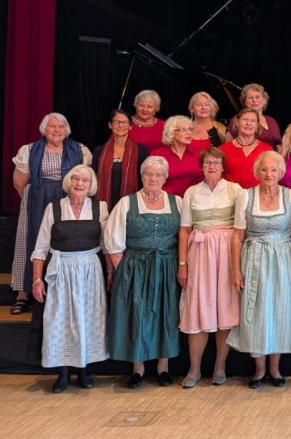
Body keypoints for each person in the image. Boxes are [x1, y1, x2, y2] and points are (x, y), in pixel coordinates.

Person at [29, 164, 108, 392]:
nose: (79, 183)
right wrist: (37, 280)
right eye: (75, 179)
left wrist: (112, 273)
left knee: (87, 319)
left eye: (85, 180)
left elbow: (107, 246)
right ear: (69, 182)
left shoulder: (100, 208)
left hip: (90, 271)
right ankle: (63, 373)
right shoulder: (54, 208)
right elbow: (40, 249)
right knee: (60, 320)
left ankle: (83, 370)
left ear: (91, 185)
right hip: (61, 271)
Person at [104, 156, 181, 389]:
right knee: (137, 315)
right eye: (148, 174)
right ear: (141, 176)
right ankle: (138, 369)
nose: (153, 178)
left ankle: (163, 368)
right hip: (134, 268)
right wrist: (125, 271)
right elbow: (113, 242)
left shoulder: (177, 202)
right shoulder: (127, 203)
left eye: (158, 175)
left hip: (167, 267)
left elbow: (185, 235)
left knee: (166, 315)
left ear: (165, 178)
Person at [227, 151, 291, 389]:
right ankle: (259, 370)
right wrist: (236, 270)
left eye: (273, 170)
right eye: (264, 170)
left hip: (283, 259)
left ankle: (275, 368)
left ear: (281, 172)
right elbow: (237, 236)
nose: (269, 174)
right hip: (254, 258)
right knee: (257, 310)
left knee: (281, 309)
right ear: (257, 172)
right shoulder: (246, 196)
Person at [10, 113, 92, 315]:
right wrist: (37, 198)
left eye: (61, 127)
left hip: (67, 199)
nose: (56, 130)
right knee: (30, 242)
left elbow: (85, 178)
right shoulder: (29, 150)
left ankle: (59, 289)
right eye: (52, 126)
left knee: (64, 242)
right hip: (37, 200)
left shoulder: (80, 150)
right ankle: (23, 293)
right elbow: (20, 183)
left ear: (67, 130)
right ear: (44, 129)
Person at [177, 147, 246, 388]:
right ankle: (194, 369)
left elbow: (241, 230)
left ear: (223, 166)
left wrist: (237, 265)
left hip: (227, 252)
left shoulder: (235, 190)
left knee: (225, 307)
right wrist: (183, 263)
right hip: (200, 252)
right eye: (207, 163)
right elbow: (185, 230)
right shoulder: (192, 192)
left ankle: (220, 366)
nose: (212, 166)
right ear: (202, 167)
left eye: (216, 162)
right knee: (199, 306)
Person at [93, 109, 149, 209]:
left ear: (130, 126)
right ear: (110, 125)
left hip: (131, 204)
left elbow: (145, 179)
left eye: (125, 122)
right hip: (104, 204)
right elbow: (93, 178)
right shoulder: (99, 150)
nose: (120, 125)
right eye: (116, 122)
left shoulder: (140, 151)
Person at [219, 109, 274, 189]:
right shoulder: (223, 149)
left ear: (257, 126)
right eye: (245, 120)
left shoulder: (267, 150)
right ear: (237, 123)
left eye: (253, 121)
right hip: (231, 194)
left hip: (258, 194)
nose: (248, 123)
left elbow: (272, 177)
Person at [151, 116, 202, 197]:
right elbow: (151, 183)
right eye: (183, 130)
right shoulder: (157, 155)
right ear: (171, 133)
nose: (188, 133)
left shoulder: (199, 154)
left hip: (195, 200)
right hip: (167, 200)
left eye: (190, 129)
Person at [226, 83, 282, 148]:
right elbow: (228, 146)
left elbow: (279, 145)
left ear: (264, 100)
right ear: (244, 101)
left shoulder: (271, 121)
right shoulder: (237, 119)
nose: (254, 100)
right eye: (250, 97)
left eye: (257, 97)